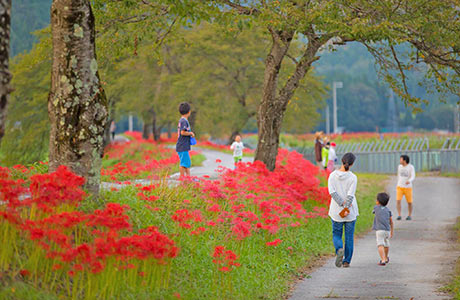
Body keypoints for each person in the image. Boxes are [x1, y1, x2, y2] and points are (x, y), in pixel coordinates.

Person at [328, 152, 358, 268]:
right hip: (350, 212)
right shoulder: (353, 177)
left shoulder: (332, 176)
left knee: (337, 234)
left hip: (336, 211)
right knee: (349, 237)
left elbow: (332, 192)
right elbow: (351, 195)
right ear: (352, 164)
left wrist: (340, 204)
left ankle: (339, 249)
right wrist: (346, 206)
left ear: (342, 161)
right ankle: (346, 261)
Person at [373, 192, 394, 266]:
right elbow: (391, 221)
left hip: (379, 230)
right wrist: (392, 231)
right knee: (386, 244)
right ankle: (385, 257)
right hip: (387, 230)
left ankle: (382, 260)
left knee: (380, 244)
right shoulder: (388, 211)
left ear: (377, 201)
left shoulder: (376, 208)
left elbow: (374, 212)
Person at [176, 102, 195, 178]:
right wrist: (190, 133)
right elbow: (183, 132)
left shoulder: (182, 120)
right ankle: (182, 178)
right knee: (184, 163)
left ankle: (188, 178)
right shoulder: (184, 121)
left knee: (187, 163)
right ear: (189, 112)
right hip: (182, 146)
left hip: (183, 146)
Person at [396, 155, 415, 220]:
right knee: (398, 200)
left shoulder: (410, 167)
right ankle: (399, 215)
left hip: (408, 187)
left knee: (409, 202)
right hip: (400, 186)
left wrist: (409, 181)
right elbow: (398, 175)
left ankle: (409, 215)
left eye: (401, 159)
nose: (400, 160)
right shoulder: (399, 167)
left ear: (404, 160)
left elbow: (413, 176)